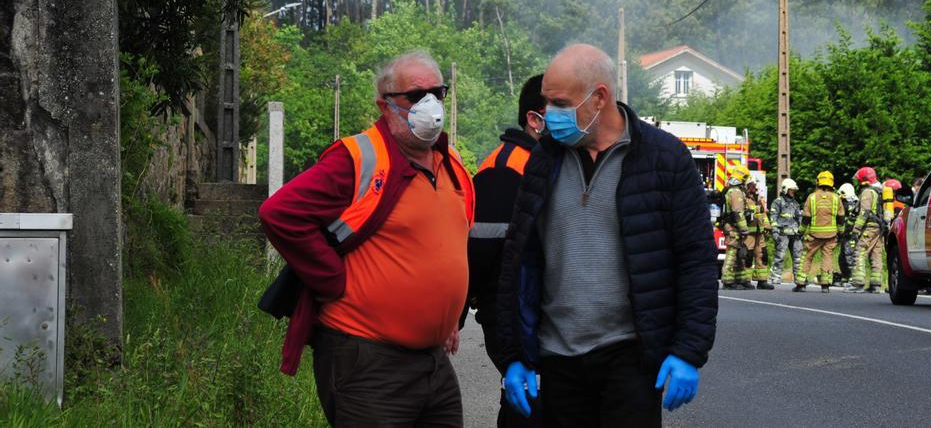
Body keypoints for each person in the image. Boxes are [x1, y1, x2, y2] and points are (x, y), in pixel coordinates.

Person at [494, 44, 718, 426]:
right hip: (557, 358)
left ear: (599, 98)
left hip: (630, 357)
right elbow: (518, 260)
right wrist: (512, 355)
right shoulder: (544, 160)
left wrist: (687, 350)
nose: (549, 115)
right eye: (547, 103)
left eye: (560, 102)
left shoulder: (664, 160)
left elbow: (696, 260)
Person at [259, 51, 476, 427]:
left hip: (433, 364)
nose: (430, 104)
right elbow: (280, 214)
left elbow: (450, 246)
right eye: (415, 95)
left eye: (437, 93)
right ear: (385, 105)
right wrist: (332, 281)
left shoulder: (452, 163)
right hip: (369, 361)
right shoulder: (359, 157)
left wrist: (450, 317)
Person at [466, 74, 546, 426]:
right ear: (534, 118)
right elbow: (481, 251)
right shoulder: (505, 168)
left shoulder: (541, 161)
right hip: (510, 313)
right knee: (525, 405)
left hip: (534, 312)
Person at [796, 171, 845, 293]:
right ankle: (825, 285)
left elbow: (806, 217)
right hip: (831, 235)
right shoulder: (836, 198)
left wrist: (801, 231)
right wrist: (841, 232)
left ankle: (801, 283)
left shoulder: (812, 197)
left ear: (818, 182)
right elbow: (841, 217)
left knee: (807, 256)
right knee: (827, 257)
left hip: (814, 235)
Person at [850, 167, 886, 293]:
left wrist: (856, 230)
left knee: (860, 251)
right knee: (876, 253)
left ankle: (858, 283)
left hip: (869, 227)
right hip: (879, 228)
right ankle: (875, 283)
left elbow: (864, 212)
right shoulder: (880, 190)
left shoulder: (867, 192)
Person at [720, 165, 754, 290]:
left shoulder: (732, 190)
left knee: (740, 253)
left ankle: (741, 279)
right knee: (732, 253)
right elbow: (738, 213)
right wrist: (744, 229)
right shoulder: (736, 192)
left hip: (734, 227)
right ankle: (728, 281)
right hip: (733, 228)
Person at [769, 178, 804, 289]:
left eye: (794, 190)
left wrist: (801, 231)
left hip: (795, 234)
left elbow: (799, 218)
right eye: (791, 190)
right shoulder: (777, 202)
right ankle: (775, 276)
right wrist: (774, 231)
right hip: (782, 234)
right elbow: (773, 217)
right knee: (780, 256)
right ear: (785, 190)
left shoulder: (795, 203)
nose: (793, 192)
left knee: (798, 257)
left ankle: (799, 279)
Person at [745, 178, 774, 289]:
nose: (755, 187)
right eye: (752, 185)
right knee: (748, 255)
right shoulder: (744, 198)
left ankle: (762, 281)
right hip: (748, 232)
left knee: (762, 255)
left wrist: (767, 225)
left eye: (755, 185)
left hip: (759, 232)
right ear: (747, 186)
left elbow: (763, 213)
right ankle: (746, 280)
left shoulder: (758, 198)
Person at [835, 182, 860, 287]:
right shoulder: (843, 204)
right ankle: (845, 277)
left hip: (851, 235)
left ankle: (852, 278)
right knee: (842, 257)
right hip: (845, 235)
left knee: (849, 256)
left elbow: (852, 221)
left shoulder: (852, 206)